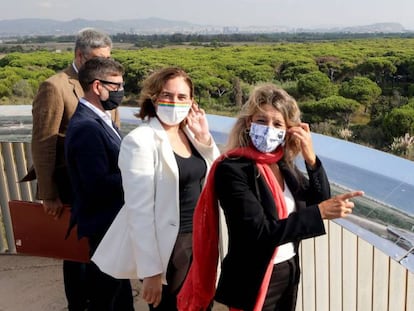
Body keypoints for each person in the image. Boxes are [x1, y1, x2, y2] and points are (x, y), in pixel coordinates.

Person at [177, 83, 364, 311]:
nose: (268, 129)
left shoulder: (283, 165)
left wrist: (311, 159)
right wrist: (320, 212)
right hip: (250, 279)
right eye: (262, 121)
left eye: (277, 124)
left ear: (287, 131)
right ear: (248, 123)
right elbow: (258, 232)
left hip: (286, 272)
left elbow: (318, 200)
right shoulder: (233, 169)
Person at [92, 67, 220, 310]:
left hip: (202, 239)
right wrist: (150, 272)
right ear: (153, 98)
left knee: (202, 304)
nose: (174, 102)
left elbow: (215, 176)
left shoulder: (190, 135)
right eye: (167, 95)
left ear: (192, 102)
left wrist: (205, 139)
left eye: (182, 97)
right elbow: (138, 212)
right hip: (171, 249)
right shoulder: (140, 141)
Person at [25, 28, 117, 311]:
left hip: (100, 182)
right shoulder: (56, 86)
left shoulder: (104, 83)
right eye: (99, 58)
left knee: (99, 249)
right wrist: (49, 194)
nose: (104, 63)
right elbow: (43, 142)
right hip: (69, 185)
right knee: (75, 252)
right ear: (80, 55)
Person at [64, 57, 134, 310]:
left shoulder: (99, 119)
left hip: (110, 224)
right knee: (106, 295)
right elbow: (97, 184)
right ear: (97, 86)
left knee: (117, 292)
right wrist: (135, 173)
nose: (120, 92)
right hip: (103, 225)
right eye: (116, 86)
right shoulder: (87, 128)